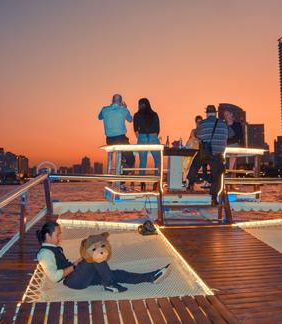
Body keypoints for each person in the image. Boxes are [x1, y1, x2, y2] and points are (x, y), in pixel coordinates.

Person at [36, 221, 170, 292]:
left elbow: (67, 265)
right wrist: (76, 265)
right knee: (94, 255)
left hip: (77, 276)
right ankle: (108, 283)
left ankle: (150, 277)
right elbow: (54, 277)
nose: (59, 237)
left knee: (117, 273)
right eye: (57, 235)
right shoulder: (44, 254)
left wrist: (79, 261)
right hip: (72, 282)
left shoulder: (52, 249)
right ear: (47, 236)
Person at [186, 105, 229, 205]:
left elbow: (197, 134)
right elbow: (228, 135)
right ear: (216, 113)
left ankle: (189, 181)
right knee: (217, 175)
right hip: (218, 154)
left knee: (195, 164)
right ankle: (213, 197)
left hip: (205, 152)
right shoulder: (223, 124)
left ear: (207, 113)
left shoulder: (203, 123)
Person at [98, 94, 135, 170]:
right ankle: (124, 171)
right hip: (121, 139)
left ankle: (117, 170)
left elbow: (99, 117)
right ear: (121, 102)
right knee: (131, 159)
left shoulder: (104, 109)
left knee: (122, 154)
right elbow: (130, 120)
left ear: (112, 101)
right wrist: (125, 108)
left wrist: (109, 107)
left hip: (109, 140)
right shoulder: (123, 110)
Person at [133, 98, 161, 191]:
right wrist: (153, 137)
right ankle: (156, 182)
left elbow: (136, 130)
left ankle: (142, 183)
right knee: (157, 160)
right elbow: (158, 129)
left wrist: (141, 138)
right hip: (153, 137)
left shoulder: (137, 115)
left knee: (142, 161)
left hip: (142, 137)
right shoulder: (154, 114)